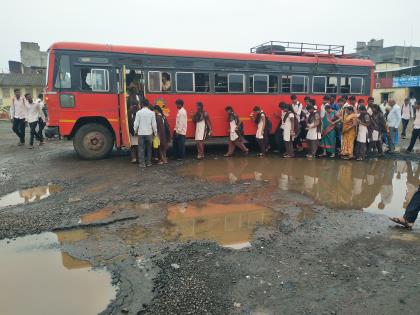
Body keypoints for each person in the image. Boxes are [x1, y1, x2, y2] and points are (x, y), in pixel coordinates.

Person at [134, 99, 157, 168]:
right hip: (149, 133)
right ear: (148, 104)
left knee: (141, 149)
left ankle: (142, 163)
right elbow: (154, 124)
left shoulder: (138, 112)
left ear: (142, 104)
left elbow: (136, 123)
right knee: (149, 148)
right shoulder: (152, 113)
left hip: (141, 133)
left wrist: (135, 131)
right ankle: (149, 162)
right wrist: (155, 133)